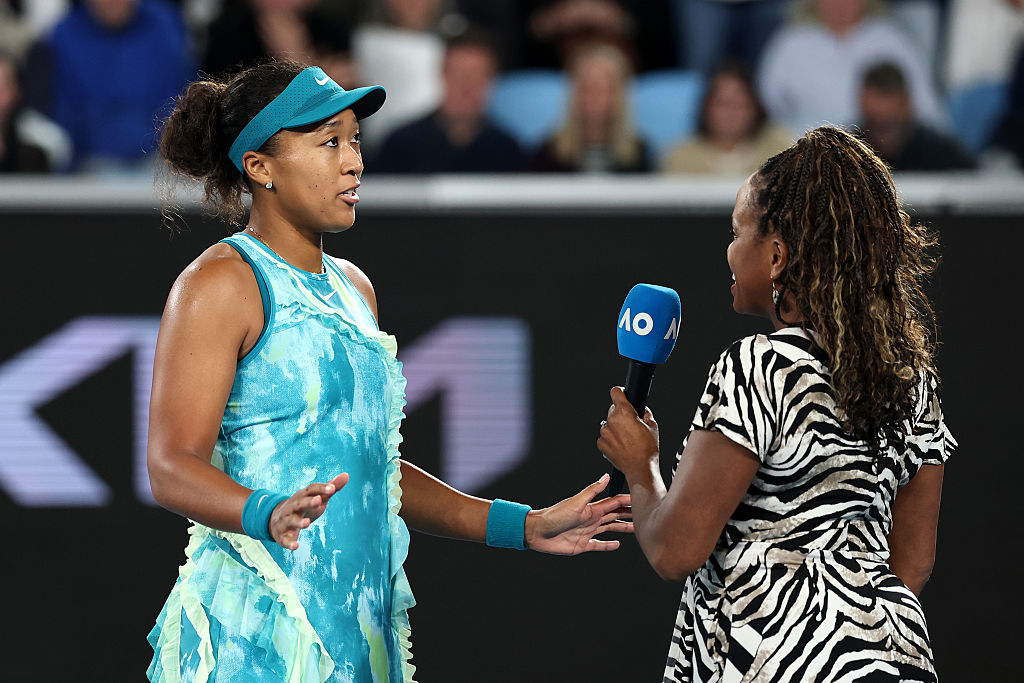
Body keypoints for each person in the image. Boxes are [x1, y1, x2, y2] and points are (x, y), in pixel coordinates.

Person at [146, 60, 632, 682]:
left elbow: (375, 471)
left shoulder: (355, 290)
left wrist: (524, 525)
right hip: (254, 642)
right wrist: (265, 510)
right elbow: (169, 465)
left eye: (354, 140)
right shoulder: (220, 283)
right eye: (328, 143)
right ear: (260, 167)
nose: (353, 162)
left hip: (358, 636)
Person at [598, 126, 955, 681]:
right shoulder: (912, 378)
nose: (728, 249)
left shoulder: (761, 365)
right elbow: (913, 562)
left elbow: (676, 551)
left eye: (738, 231)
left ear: (778, 255)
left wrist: (641, 468)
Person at [43, 0, 191, 171]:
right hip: (89, 168)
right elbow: (62, 113)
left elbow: (181, 97)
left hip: (161, 163)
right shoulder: (63, 36)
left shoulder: (164, 26)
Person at [758, 0, 943, 134]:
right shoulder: (791, 42)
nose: (840, 4)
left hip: (877, 155)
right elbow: (767, 106)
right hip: (804, 152)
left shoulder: (890, 40)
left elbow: (925, 107)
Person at [373, 29, 524, 174]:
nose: (466, 86)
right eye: (458, 74)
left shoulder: (508, 151)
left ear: (491, 81)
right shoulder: (400, 145)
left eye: (476, 76)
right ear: (442, 75)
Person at [531, 42, 650, 173]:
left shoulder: (640, 154)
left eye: (603, 89)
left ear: (620, 96)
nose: (594, 98)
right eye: (586, 88)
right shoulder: (549, 152)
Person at [661, 61, 791, 176]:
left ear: (755, 108)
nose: (730, 113)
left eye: (739, 105)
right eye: (722, 104)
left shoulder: (781, 152)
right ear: (706, 107)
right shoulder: (680, 158)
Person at [858, 61, 976, 172]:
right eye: (876, 124)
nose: (884, 134)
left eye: (892, 123)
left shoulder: (942, 153)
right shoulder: (850, 154)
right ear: (862, 106)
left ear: (907, 105)